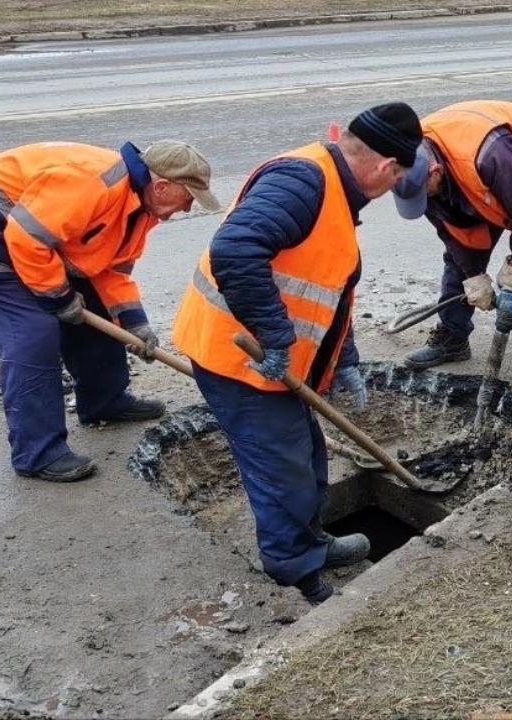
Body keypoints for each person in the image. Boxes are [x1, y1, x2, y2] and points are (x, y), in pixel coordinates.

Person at [172, 103, 422, 603]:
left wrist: (344, 357)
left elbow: (325, 286)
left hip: (269, 360)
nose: (393, 187)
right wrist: (276, 337)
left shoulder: (332, 186)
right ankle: (296, 571)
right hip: (240, 360)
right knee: (281, 470)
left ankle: (312, 541)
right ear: (385, 166)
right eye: (397, 178)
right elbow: (236, 250)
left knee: (305, 453)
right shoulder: (303, 182)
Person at [0, 140, 221, 483]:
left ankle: (104, 402)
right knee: (33, 331)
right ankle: (38, 453)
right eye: (188, 198)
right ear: (161, 186)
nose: (187, 209)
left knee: (97, 308)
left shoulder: (141, 208)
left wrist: (134, 323)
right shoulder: (92, 182)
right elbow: (27, 239)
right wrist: (59, 297)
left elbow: (111, 270)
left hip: (34, 234)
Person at [392, 100, 512, 374]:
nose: (425, 202)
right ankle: (453, 337)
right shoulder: (410, 159)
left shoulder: (488, 156)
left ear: (435, 172)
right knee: (458, 260)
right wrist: (473, 276)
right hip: (478, 176)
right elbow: (452, 232)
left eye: (424, 195)